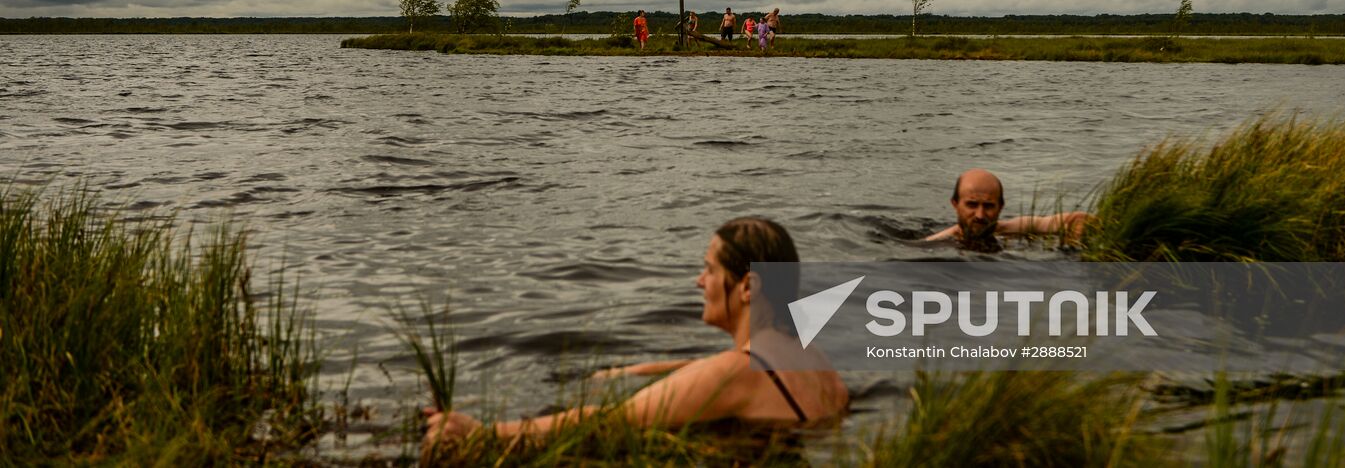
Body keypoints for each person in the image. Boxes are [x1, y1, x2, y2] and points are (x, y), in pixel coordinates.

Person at [422, 219, 848, 454]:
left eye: (710, 269)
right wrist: (636, 370)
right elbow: (721, 376)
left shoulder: (735, 373)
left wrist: (482, 433)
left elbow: (608, 421)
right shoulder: (812, 357)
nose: (699, 281)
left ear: (747, 286)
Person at [924, 168, 1094, 250]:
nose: (980, 215)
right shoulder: (940, 242)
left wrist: (1076, 237)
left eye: (989, 206)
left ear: (1001, 207)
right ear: (955, 204)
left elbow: (1073, 219)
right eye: (972, 205)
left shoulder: (1010, 229)